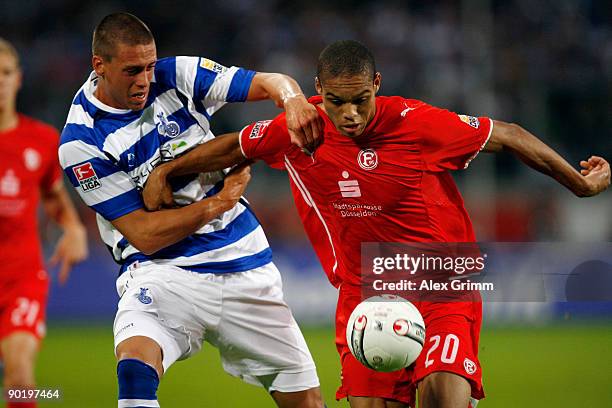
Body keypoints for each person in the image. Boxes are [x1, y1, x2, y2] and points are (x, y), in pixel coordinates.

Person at [142, 40, 611, 408]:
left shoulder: (414, 122)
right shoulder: (297, 128)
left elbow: (507, 134)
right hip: (364, 292)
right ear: (317, 91)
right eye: (337, 101)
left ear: (377, 86)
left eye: (361, 100)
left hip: (440, 281)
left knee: (443, 394)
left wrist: (579, 183)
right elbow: (231, 147)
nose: (349, 114)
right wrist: (168, 169)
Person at [58, 12, 325, 408]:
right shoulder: (82, 141)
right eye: (132, 70)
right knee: (134, 370)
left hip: (243, 264)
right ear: (100, 66)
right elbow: (144, 233)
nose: (145, 80)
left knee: (307, 402)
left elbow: (272, 82)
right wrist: (220, 202)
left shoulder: (177, 74)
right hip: (164, 273)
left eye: (149, 66)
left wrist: (294, 100)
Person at [0, 38, 88, 408]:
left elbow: (54, 198)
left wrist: (74, 227)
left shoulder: (41, 140)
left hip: (20, 277)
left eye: (5, 73)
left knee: (19, 379)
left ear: (18, 79)